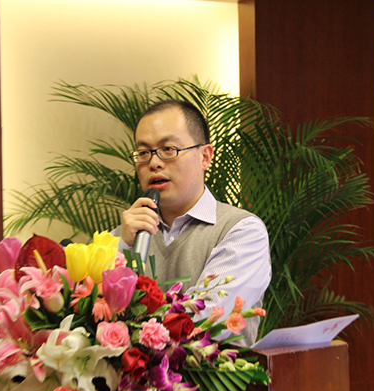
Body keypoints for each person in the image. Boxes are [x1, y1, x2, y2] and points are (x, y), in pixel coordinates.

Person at [115, 100, 271, 346]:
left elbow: (203, 321)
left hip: (210, 372)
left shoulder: (241, 231)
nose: (154, 163)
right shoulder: (123, 237)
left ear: (205, 157)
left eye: (168, 149)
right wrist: (122, 246)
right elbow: (90, 318)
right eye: (143, 153)